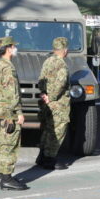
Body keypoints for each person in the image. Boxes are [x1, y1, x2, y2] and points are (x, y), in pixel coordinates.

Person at [0, 36, 27, 191]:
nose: (15, 48)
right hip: (9, 113)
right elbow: (12, 94)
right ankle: (6, 177)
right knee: (9, 145)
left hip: (0, 111)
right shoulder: (8, 67)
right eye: (13, 46)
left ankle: (1, 175)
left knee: (1, 144)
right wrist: (18, 112)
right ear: (8, 48)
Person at [37, 36, 71, 171]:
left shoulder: (47, 61)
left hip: (47, 103)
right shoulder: (62, 64)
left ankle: (42, 157)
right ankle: (50, 160)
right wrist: (51, 97)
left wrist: (44, 94)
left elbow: (41, 80)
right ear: (65, 50)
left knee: (47, 130)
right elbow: (61, 84)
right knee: (57, 131)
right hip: (58, 104)